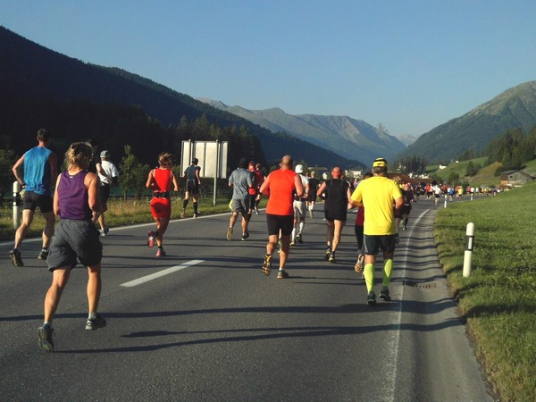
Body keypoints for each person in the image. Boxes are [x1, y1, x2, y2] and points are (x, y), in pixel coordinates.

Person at [37, 142, 105, 352]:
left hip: (62, 229)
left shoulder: (61, 177)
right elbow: (93, 205)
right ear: (87, 158)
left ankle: (46, 324)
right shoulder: (90, 177)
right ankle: (92, 316)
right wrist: (99, 209)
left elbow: (56, 209)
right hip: (82, 227)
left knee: (57, 282)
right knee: (93, 270)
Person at [350, 157, 403, 305]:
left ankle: (370, 292)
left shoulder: (364, 183)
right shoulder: (391, 183)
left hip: (370, 227)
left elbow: (352, 202)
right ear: (385, 170)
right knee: (388, 257)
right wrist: (393, 209)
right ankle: (385, 288)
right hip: (387, 227)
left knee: (370, 259)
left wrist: (364, 204)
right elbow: (400, 202)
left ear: (373, 170)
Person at [10, 128, 58, 266]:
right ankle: (44, 250)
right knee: (50, 220)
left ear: (38, 138)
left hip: (29, 192)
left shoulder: (28, 152)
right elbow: (54, 172)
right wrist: (55, 185)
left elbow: (14, 168)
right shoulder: (50, 154)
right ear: (49, 140)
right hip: (42, 192)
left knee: (25, 223)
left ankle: (16, 248)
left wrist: (22, 183)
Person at [259, 155, 304, 279]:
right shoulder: (294, 175)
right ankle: (281, 270)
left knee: (272, 240)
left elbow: (262, 189)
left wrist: (271, 194)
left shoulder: (272, 174)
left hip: (271, 210)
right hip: (286, 212)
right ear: (292, 165)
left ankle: (269, 254)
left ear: (281, 164)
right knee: (285, 240)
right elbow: (300, 192)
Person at [146, 152, 180, 257]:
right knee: (162, 229)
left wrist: (154, 184)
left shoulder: (152, 172)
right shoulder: (171, 173)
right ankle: (153, 234)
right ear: (167, 162)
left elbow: (147, 185)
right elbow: (177, 188)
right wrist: (170, 187)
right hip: (165, 201)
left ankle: (160, 250)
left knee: (159, 226)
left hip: (154, 201)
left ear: (159, 162)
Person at [316, 167, 352, 263]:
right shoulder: (345, 184)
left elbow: (318, 193)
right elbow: (350, 198)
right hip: (340, 210)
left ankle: (328, 247)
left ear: (332, 173)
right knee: (337, 233)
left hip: (329, 209)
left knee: (329, 229)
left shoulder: (327, 183)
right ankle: (333, 253)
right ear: (341, 174)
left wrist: (324, 198)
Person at [227, 158, 253, 241]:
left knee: (235, 214)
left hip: (235, 196)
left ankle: (231, 227)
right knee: (244, 215)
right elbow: (250, 185)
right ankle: (244, 233)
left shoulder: (234, 172)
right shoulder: (248, 173)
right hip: (244, 196)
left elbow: (229, 184)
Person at [96, 150, 119, 236]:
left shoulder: (98, 164)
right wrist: (112, 182)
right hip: (105, 186)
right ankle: (97, 225)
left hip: (96, 184)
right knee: (101, 207)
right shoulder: (111, 165)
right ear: (108, 157)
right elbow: (115, 178)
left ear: (101, 157)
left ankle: (103, 226)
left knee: (102, 207)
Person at [354, 172, 372, 274]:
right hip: (371, 223)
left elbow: (351, 203)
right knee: (369, 248)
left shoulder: (361, 190)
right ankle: (365, 269)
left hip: (359, 222)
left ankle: (360, 256)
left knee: (360, 244)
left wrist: (362, 204)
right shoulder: (375, 192)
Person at [290, 164, 309, 246]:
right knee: (302, 218)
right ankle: (300, 233)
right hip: (301, 200)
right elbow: (307, 187)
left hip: (293, 200)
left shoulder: (292, 177)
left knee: (294, 220)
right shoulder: (305, 178)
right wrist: (306, 194)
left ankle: (293, 239)